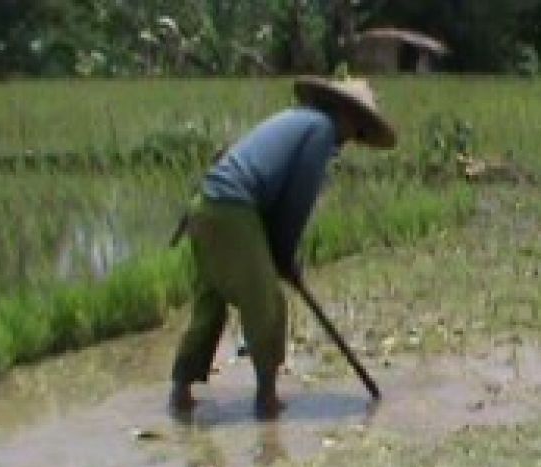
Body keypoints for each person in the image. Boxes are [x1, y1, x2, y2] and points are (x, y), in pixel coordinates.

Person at [170, 75, 397, 418]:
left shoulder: (298, 119)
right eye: (358, 128)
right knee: (266, 303)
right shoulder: (320, 130)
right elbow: (296, 201)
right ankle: (266, 398)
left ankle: (181, 391)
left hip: (205, 206)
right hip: (232, 207)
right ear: (346, 115)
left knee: (210, 303)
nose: (355, 138)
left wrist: (280, 252)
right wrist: (285, 254)